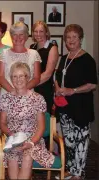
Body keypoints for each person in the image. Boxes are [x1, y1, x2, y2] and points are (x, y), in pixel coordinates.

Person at [54, 24, 97, 179]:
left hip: (81, 108)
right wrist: (58, 88)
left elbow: (92, 84)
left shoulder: (87, 59)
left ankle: (78, 174)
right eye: (68, 37)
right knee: (69, 142)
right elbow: (57, 78)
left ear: (80, 39)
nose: (71, 40)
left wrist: (73, 90)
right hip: (65, 107)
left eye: (74, 37)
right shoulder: (64, 58)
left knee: (80, 142)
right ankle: (71, 171)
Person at [0, 62, 55, 179]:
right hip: (13, 140)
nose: (18, 79)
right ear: (11, 79)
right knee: (12, 154)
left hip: (33, 140)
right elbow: (2, 123)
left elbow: (41, 127)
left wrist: (31, 143)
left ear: (27, 77)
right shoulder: (6, 98)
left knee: (27, 155)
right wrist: (11, 135)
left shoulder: (38, 98)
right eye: (15, 76)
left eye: (21, 76)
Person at [0, 22, 41, 96]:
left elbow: (36, 78)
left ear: (26, 36)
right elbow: (0, 77)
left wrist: (21, 91)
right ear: (11, 36)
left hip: (28, 96)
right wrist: (13, 91)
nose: (18, 37)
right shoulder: (4, 53)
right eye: (15, 34)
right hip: (8, 95)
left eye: (21, 34)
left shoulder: (34, 54)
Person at [30, 21, 59, 114]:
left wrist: (30, 84)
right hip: (32, 90)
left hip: (44, 90)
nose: (38, 34)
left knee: (44, 122)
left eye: (41, 31)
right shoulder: (32, 47)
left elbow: (47, 74)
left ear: (46, 33)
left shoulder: (52, 48)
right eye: (35, 31)